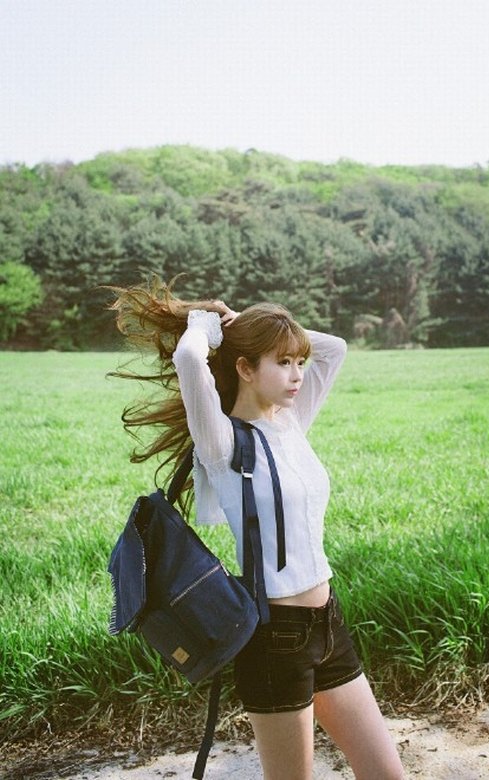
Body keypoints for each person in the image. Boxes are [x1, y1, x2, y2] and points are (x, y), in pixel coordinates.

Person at [109, 279, 404, 780]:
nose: (297, 375)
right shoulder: (222, 442)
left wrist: (246, 321)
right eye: (282, 362)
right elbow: (189, 360)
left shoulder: (291, 420)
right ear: (245, 369)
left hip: (328, 624)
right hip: (274, 638)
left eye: (298, 363)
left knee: (386, 773)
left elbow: (334, 349)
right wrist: (208, 325)